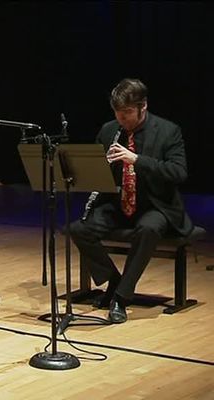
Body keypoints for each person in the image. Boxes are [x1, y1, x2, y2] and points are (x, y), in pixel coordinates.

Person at [69, 78, 193, 324]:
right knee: (78, 229)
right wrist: (97, 167)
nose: (121, 118)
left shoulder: (168, 131)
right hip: (118, 202)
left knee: (148, 228)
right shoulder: (108, 130)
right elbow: (95, 175)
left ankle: (121, 298)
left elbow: (179, 172)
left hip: (155, 204)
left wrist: (136, 159)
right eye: (117, 112)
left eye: (127, 112)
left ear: (142, 107)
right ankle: (115, 282)